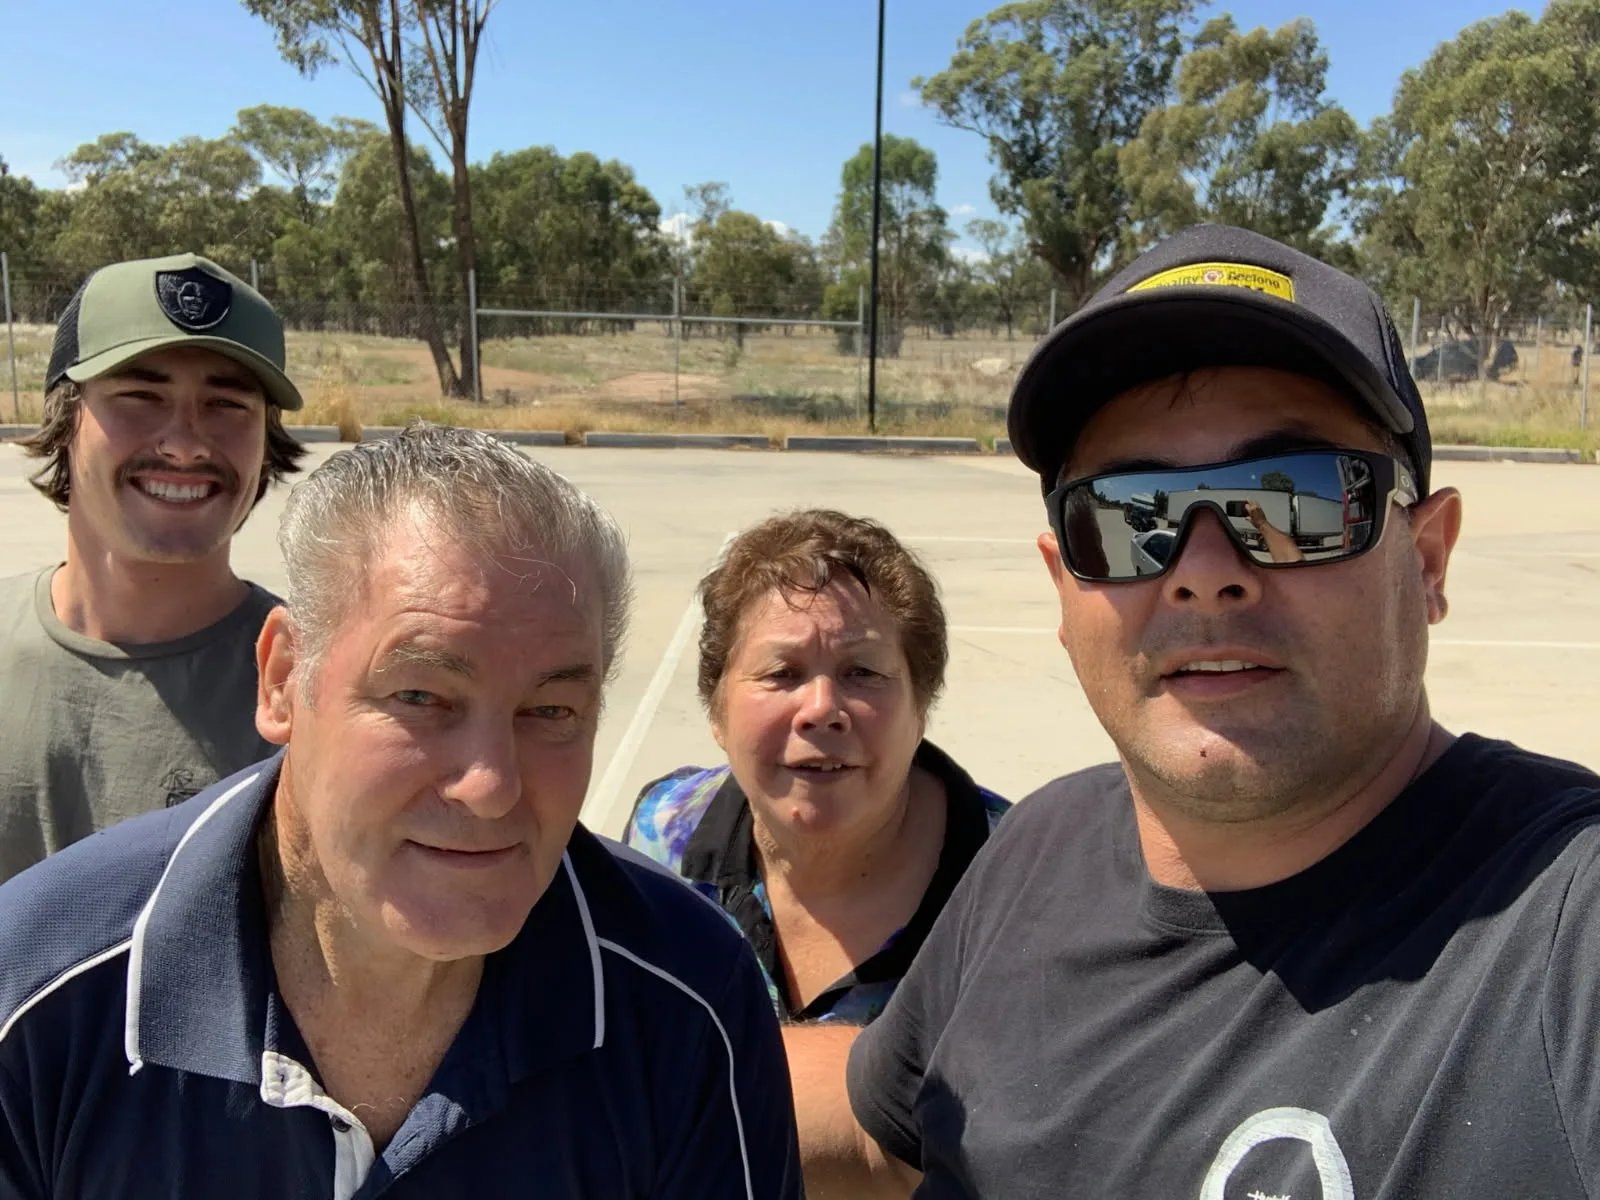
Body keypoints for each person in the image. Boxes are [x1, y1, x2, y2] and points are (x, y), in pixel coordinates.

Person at [839, 224, 1600, 1197]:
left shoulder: (1558, 931)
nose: (1202, 573)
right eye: (1128, 516)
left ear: (1426, 559)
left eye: (1291, 502)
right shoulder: (1035, 850)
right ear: (1061, 585)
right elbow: (876, 1131)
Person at [0, 424, 801, 1199]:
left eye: (551, 711)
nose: (491, 786)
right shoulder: (36, 993)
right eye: (420, 696)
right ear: (283, 679)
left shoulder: (687, 998)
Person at [624, 509, 1007, 1197]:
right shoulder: (660, 840)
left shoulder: (1017, 877)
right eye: (781, 673)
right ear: (716, 710)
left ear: (922, 707)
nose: (822, 708)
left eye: (863, 672)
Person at [0, 253, 308, 882]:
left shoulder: (315, 690)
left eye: (227, 404)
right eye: (141, 396)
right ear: (66, 420)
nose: (186, 441)